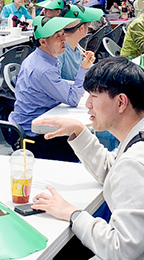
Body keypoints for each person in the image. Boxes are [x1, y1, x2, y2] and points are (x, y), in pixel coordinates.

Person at [30, 57, 144, 260]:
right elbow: (114, 170)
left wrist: (72, 213)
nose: (87, 104)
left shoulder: (138, 163)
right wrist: (78, 131)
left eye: (93, 96)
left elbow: (120, 250)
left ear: (121, 102)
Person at [9, 16, 95, 161]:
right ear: (43, 42)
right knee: (83, 142)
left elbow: (55, 85)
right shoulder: (43, 70)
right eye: (57, 36)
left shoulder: (39, 58)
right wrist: (83, 69)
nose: (63, 40)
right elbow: (73, 99)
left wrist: (72, 84)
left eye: (63, 34)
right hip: (34, 136)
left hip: (29, 123)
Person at [59, 5, 103, 81]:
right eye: (88, 24)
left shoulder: (76, 46)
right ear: (81, 28)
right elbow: (54, 81)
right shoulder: (59, 50)